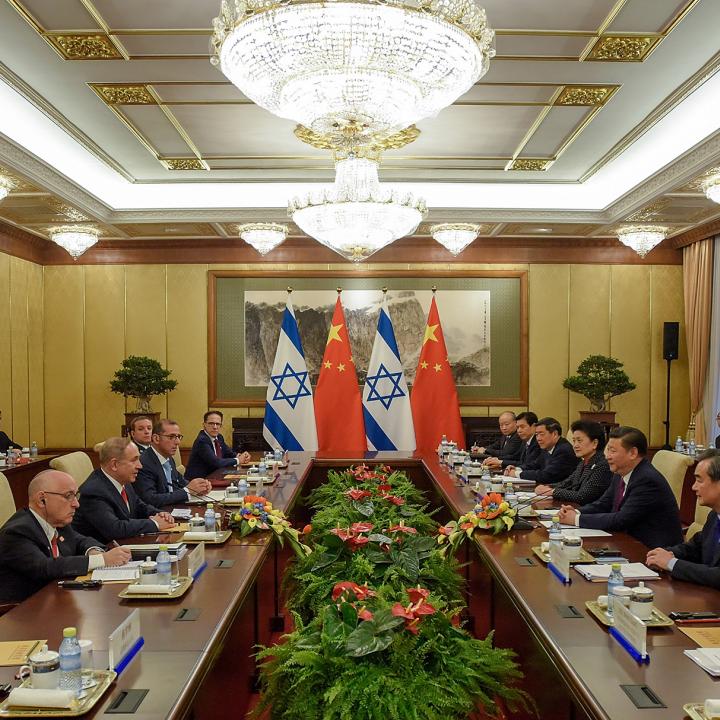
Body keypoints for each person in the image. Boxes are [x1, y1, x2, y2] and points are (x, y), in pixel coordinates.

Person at [0, 470, 131, 603]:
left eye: (76, 496)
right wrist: (102, 560)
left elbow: (80, 540)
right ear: (42, 500)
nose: (76, 504)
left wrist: (93, 550)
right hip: (21, 612)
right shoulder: (17, 532)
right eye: (68, 496)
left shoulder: (58, 522)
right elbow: (44, 567)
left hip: (55, 601)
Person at [558, 426, 682, 548]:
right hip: (627, 541)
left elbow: (621, 519)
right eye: (607, 450)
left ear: (633, 453)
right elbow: (604, 503)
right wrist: (576, 512)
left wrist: (576, 519)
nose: (607, 456)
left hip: (651, 550)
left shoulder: (647, 480)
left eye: (613, 451)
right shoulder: (621, 472)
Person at [72, 437, 175, 543]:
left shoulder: (123, 481)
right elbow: (114, 528)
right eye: (134, 460)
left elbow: (139, 506)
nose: (140, 466)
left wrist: (162, 514)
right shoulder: (94, 491)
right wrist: (155, 524)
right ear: (114, 465)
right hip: (103, 552)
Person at [647, 449, 720, 588]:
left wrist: (671, 563)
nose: (693, 487)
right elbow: (697, 546)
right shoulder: (714, 515)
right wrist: (667, 554)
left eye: (699, 480)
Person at [135, 420, 212, 507]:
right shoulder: (144, 463)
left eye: (178, 436)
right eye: (171, 437)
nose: (178, 442)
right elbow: (150, 499)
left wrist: (199, 487)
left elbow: (180, 482)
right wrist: (187, 491)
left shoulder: (169, 458)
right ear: (156, 438)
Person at [535, 420, 612, 505]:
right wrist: (547, 487)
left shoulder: (602, 465)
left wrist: (552, 491)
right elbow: (567, 483)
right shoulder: (583, 463)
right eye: (574, 441)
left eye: (579, 441)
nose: (575, 445)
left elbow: (582, 496)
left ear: (594, 443)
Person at [504, 417, 577, 484]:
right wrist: (517, 468)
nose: (538, 438)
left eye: (541, 434)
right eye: (536, 434)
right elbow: (535, 464)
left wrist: (516, 474)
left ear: (554, 434)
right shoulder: (547, 447)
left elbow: (546, 475)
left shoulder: (563, 450)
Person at [184, 411, 251, 480]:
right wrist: (238, 460)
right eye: (211, 423)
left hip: (214, 477)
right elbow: (216, 462)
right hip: (198, 482)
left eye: (218, 424)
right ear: (204, 425)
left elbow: (229, 453)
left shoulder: (219, 437)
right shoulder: (202, 441)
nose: (215, 427)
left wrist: (242, 456)